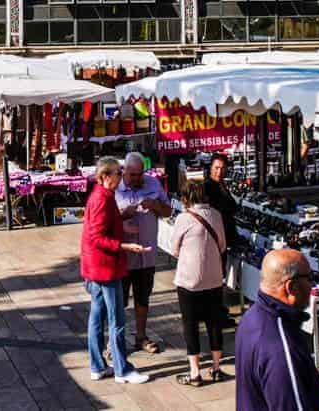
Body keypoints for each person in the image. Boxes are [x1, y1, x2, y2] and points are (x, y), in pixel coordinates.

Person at [81, 156, 151, 385]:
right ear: (104, 176)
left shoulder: (102, 196)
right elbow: (96, 236)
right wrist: (124, 245)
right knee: (116, 319)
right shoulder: (102, 198)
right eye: (118, 173)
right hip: (105, 267)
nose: (121, 177)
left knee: (97, 317)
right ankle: (122, 369)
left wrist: (121, 221)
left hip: (96, 266)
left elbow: (100, 228)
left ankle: (97, 366)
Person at [235, 249, 319, 411]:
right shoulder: (281, 348)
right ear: (291, 287)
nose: (312, 285)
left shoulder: (251, 317)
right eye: (309, 278)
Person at [171, 179, 228, 386]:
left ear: (185, 198)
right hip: (214, 277)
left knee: (190, 324)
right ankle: (216, 367)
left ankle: (195, 371)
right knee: (214, 322)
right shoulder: (216, 215)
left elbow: (174, 248)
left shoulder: (183, 219)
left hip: (189, 280)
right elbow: (222, 245)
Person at [114, 151, 171, 355]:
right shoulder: (115, 189)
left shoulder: (153, 184)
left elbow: (168, 211)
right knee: (118, 301)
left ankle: (141, 337)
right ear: (124, 171)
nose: (138, 179)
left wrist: (155, 205)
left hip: (146, 254)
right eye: (133, 175)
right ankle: (116, 342)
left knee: (143, 297)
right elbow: (104, 222)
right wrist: (123, 215)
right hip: (123, 256)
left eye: (140, 175)